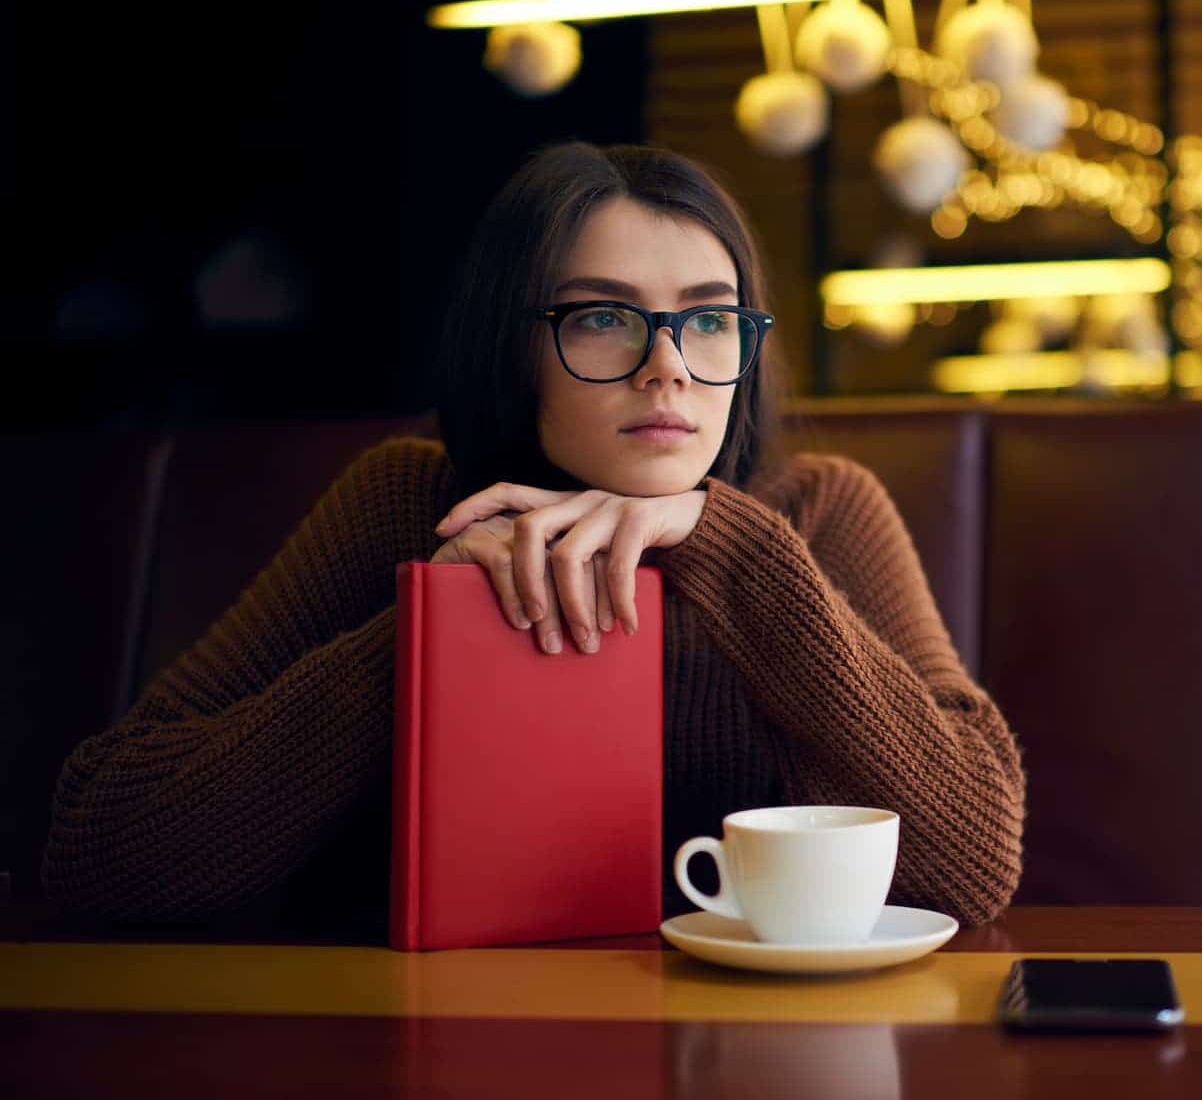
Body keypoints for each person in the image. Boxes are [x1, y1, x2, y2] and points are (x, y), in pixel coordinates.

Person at [42, 142, 1026, 933]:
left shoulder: (814, 510)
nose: (668, 368)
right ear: (514, 347)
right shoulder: (408, 499)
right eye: (604, 316)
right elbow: (101, 850)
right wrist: (428, 638)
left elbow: (971, 863)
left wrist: (730, 550)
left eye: (710, 320)